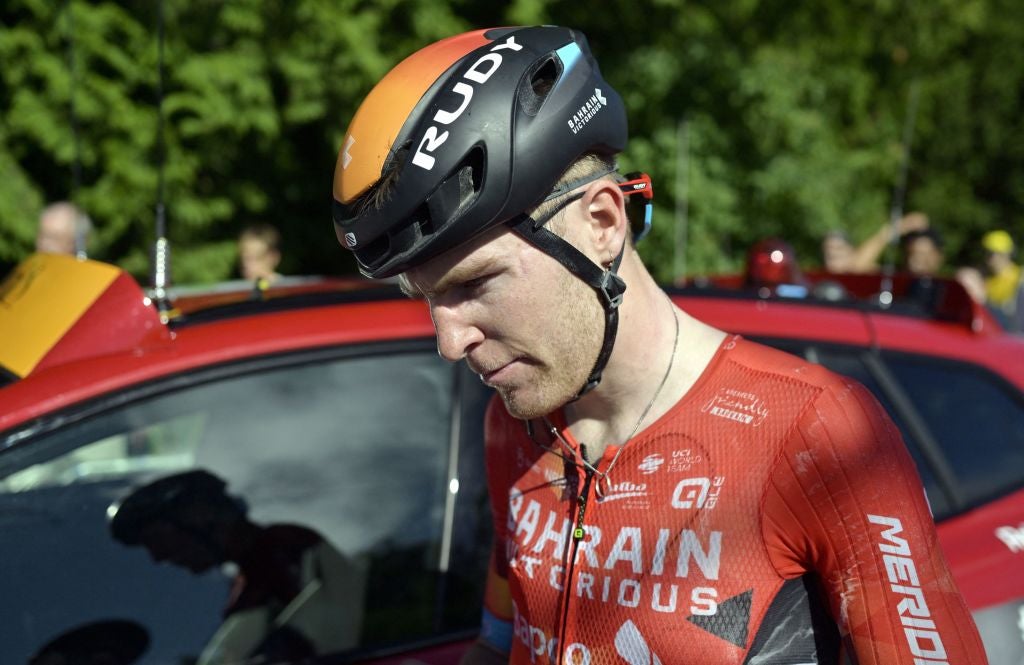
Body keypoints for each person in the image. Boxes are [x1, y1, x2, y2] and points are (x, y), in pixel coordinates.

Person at [331, 26, 987, 664]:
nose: (449, 341)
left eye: (476, 282)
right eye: (426, 299)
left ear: (601, 222)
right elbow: (503, 642)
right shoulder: (514, 425)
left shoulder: (818, 432)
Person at [108, 469, 362, 664]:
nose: (159, 557)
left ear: (201, 517)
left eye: (159, 541)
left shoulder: (288, 548)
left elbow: (334, 632)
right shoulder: (247, 584)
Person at [821, 211, 929, 274]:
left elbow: (857, 265)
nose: (833, 254)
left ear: (853, 251)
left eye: (839, 250)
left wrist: (898, 227)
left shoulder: (870, 275)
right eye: (828, 254)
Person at [981, 229, 1022, 329]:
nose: (988, 259)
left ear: (1004, 254)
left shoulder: (1021, 277)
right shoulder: (987, 283)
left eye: (990, 254)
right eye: (986, 253)